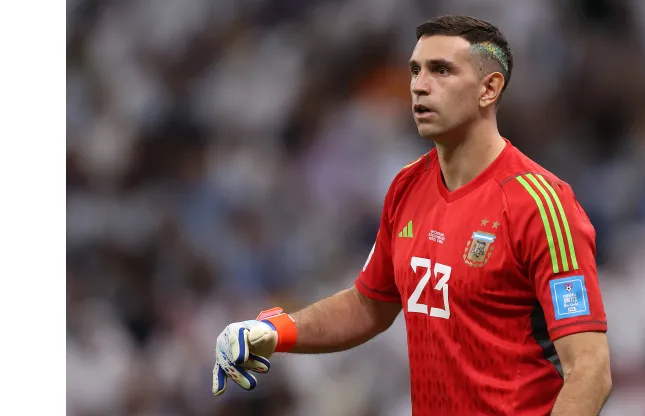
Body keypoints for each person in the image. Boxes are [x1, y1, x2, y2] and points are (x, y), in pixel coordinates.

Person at [213, 15, 612, 416]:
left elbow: (590, 367)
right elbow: (369, 305)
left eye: (441, 71)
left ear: (489, 89)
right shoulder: (406, 186)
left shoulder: (541, 204)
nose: (420, 86)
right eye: (416, 71)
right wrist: (272, 330)